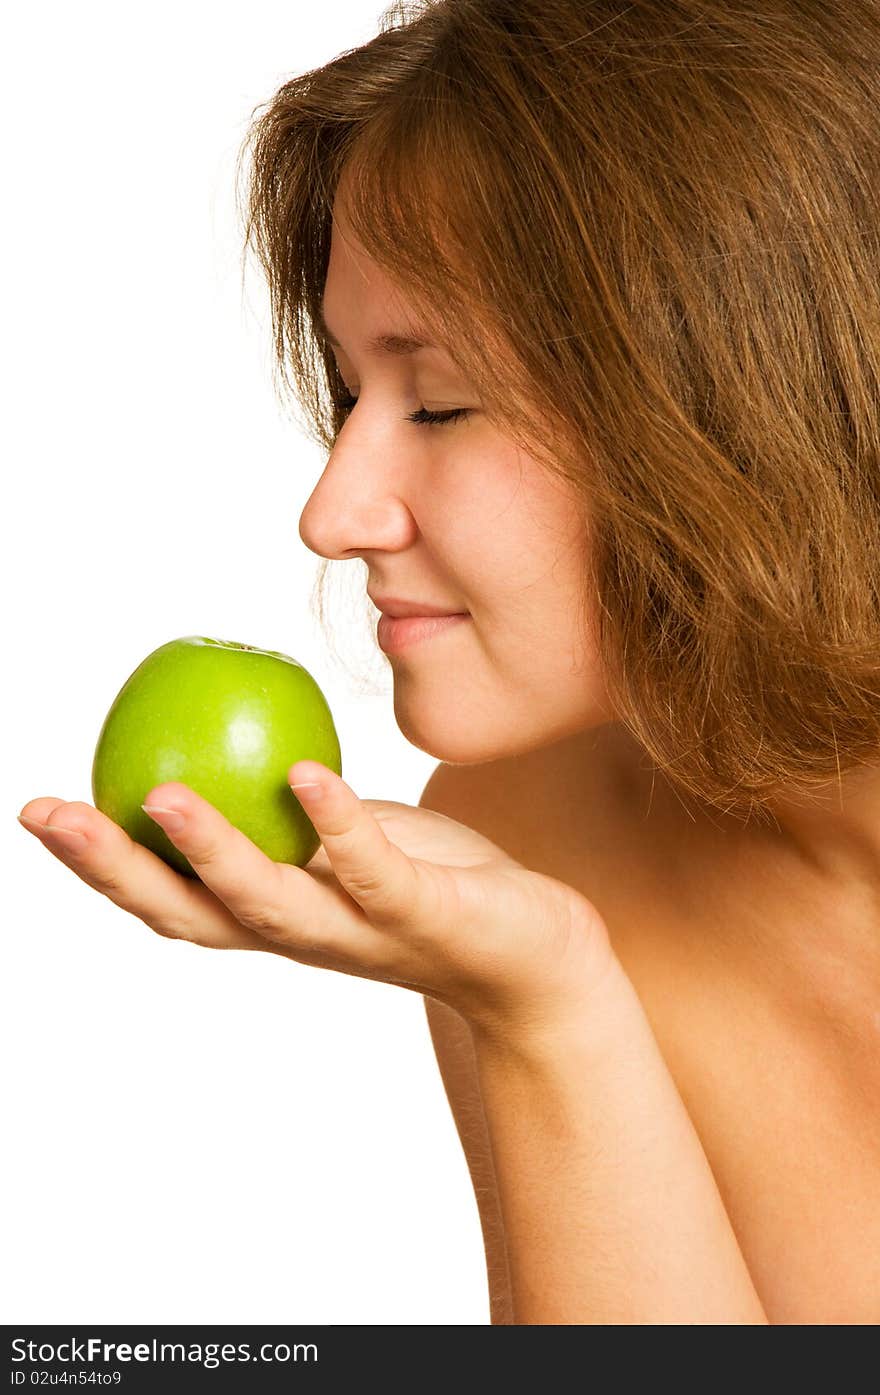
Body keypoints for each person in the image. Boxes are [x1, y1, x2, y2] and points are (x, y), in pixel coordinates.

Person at [19, 0, 880, 1324]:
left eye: (438, 403)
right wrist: (548, 1007)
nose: (333, 515)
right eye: (352, 390)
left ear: (736, 402)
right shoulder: (517, 844)